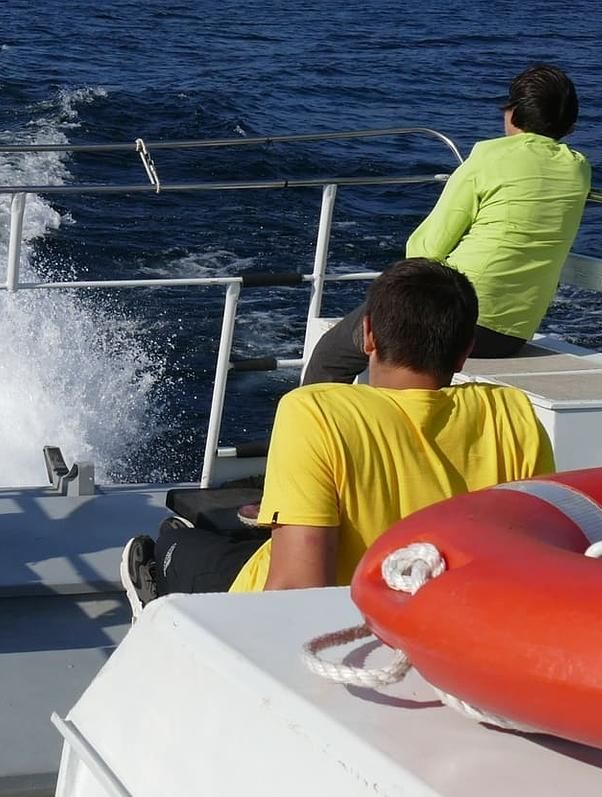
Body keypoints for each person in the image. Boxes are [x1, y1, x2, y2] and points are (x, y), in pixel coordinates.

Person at [121, 258, 552, 611]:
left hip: (344, 628)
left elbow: (296, 592)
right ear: (464, 352)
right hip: (444, 624)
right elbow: (531, 554)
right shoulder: (511, 413)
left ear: (368, 336)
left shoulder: (316, 411)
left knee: (171, 541)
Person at [300, 63, 591, 386]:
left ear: (513, 114)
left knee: (331, 354)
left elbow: (425, 248)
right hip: (511, 334)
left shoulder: (488, 159)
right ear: (569, 124)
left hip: (453, 320)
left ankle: (316, 435)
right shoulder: (577, 169)